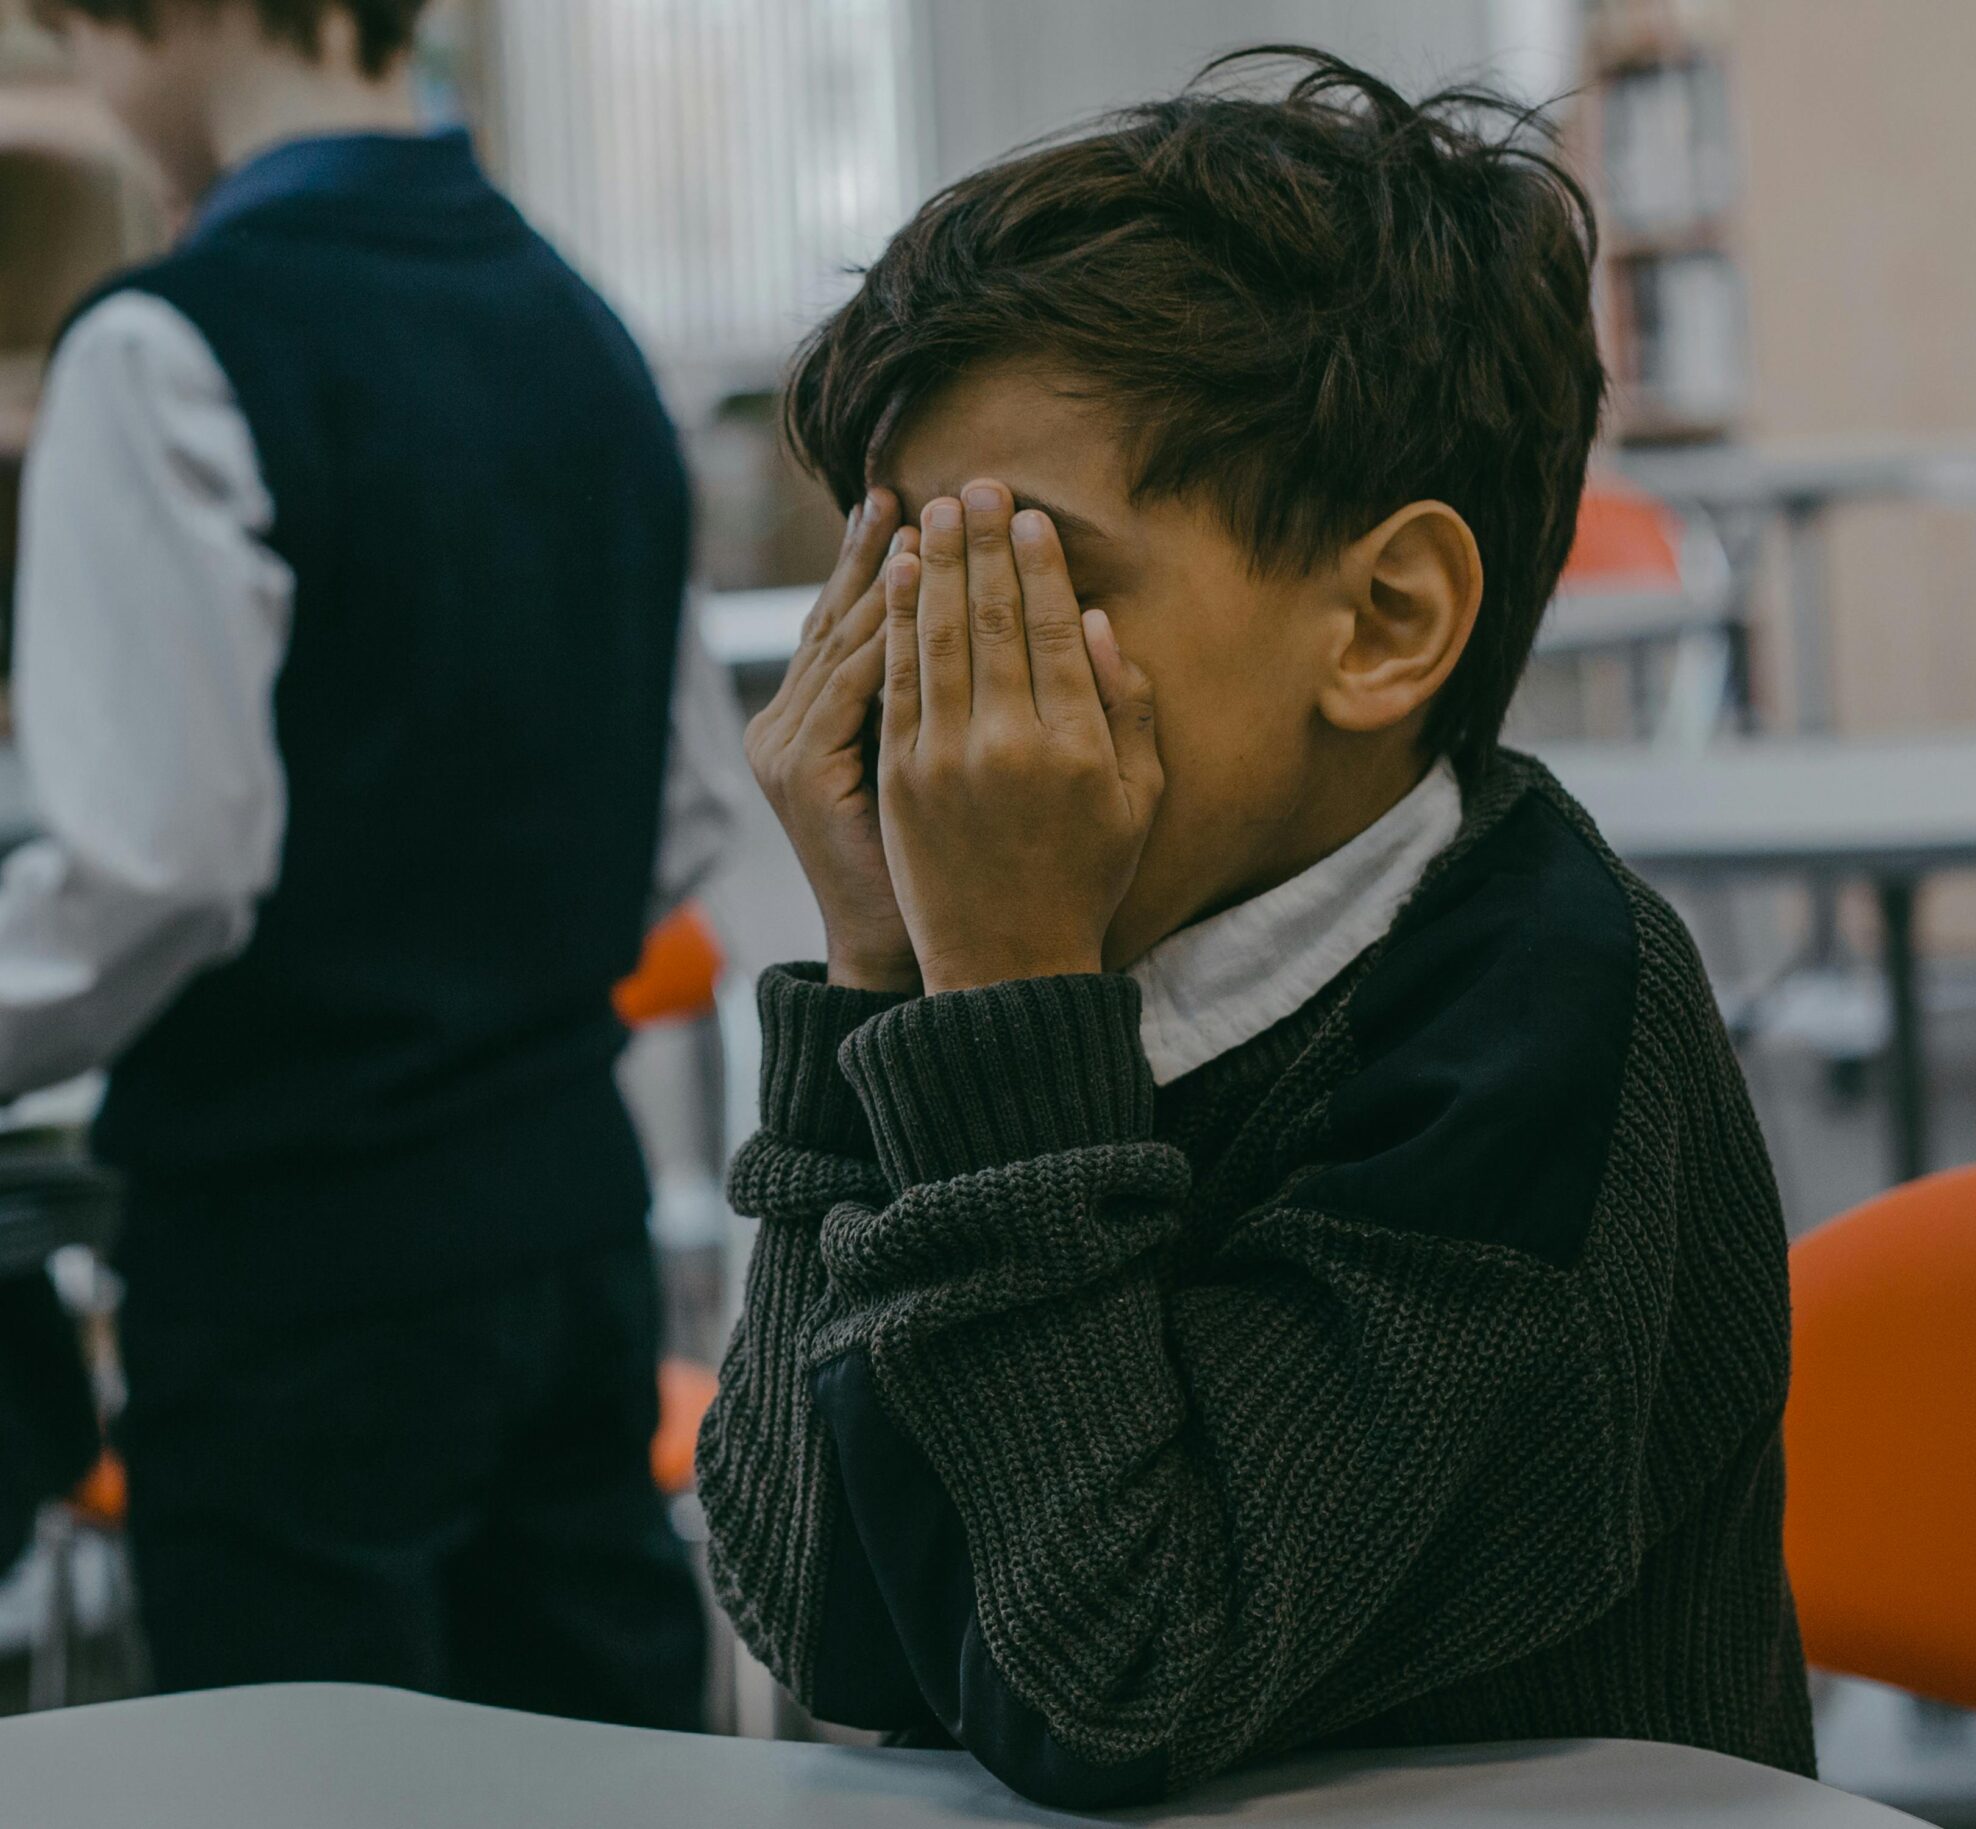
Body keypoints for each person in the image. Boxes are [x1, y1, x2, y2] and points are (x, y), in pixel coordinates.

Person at [697, 49, 1811, 1807]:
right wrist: (876, 980)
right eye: (904, 583)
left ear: (1381, 621)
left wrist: (998, 1002)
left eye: (1030, 585)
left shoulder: (1539, 1013)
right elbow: (815, 1603)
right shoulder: (1076, 949)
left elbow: (1125, 1679)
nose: (931, 694)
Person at [8, 0, 731, 1725]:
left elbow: (160, 872)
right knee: (596, 1774)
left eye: (68, 38)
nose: (86, 90)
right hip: (569, 1223)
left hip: (295, 1269)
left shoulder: (163, 348)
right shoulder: (582, 321)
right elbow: (686, 809)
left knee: (308, 1782)